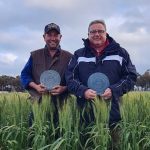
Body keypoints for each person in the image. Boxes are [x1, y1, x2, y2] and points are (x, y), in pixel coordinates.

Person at [65, 20, 137, 148]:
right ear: (88, 34)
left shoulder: (120, 53)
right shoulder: (79, 55)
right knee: (88, 146)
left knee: (114, 146)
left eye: (100, 31)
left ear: (106, 33)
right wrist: (83, 91)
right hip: (85, 117)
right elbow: (70, 79)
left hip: (114, 116)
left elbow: (130, 77)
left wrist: (113, 90)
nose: (96, 34)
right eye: (93, 31)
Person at [21, 23, 72, 126]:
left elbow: (74, 79)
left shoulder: (69, 57)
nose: (52, 38)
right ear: (44, 37)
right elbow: (24, 75)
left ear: (60, 37)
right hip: (38, 105)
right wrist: (35, 86)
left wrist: (64, 88)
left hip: (61, 107)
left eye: (55, 35)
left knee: (59, 137)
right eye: (49, 35)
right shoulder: (35, 55)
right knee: (35, 135)